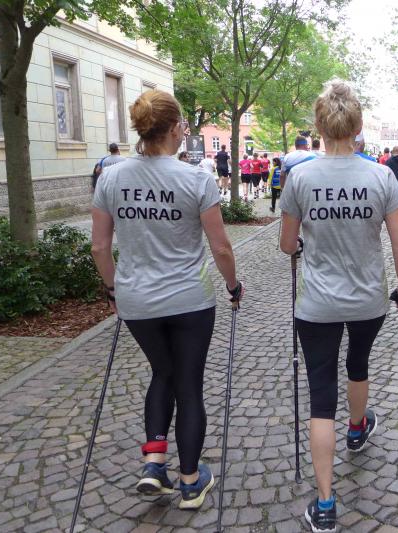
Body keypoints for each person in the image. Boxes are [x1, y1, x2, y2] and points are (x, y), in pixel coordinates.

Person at [90, 89, 243, 510]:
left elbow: (100, 247)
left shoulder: (111, 178)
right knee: (188, 385)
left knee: (162, 373)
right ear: (175, 128)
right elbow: (221, 247)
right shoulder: (196, 179)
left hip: (137, 300)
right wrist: (233, 286)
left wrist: (113, 289)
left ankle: (154, 464)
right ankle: (191, 481)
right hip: (190, 299)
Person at [279, 79, 398, 533]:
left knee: (321, 394)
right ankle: (356, 427)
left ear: (319, 126)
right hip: (367, 299)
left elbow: (286, 244)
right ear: (357, 127)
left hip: (316, 302)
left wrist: (304, 241)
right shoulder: (381, 177)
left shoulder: (300, 177)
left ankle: (325, 503)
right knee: (358, 362)